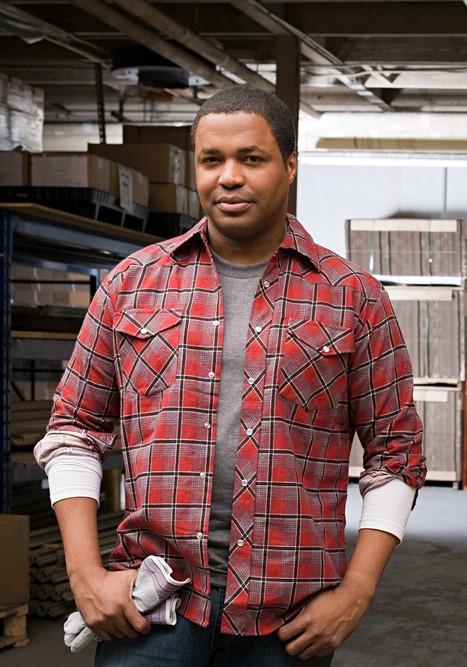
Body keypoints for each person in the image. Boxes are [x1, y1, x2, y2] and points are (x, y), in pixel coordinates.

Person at [34, 83, 426, 666]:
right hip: (153, 609)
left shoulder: (352, 297)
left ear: (290, 164)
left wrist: (357, 592)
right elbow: (73, 429)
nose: (229, 177)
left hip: (287, 621)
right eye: (212, 160)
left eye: (252, 158)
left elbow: (395, 453)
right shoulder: (133, 284)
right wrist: (85, 574)